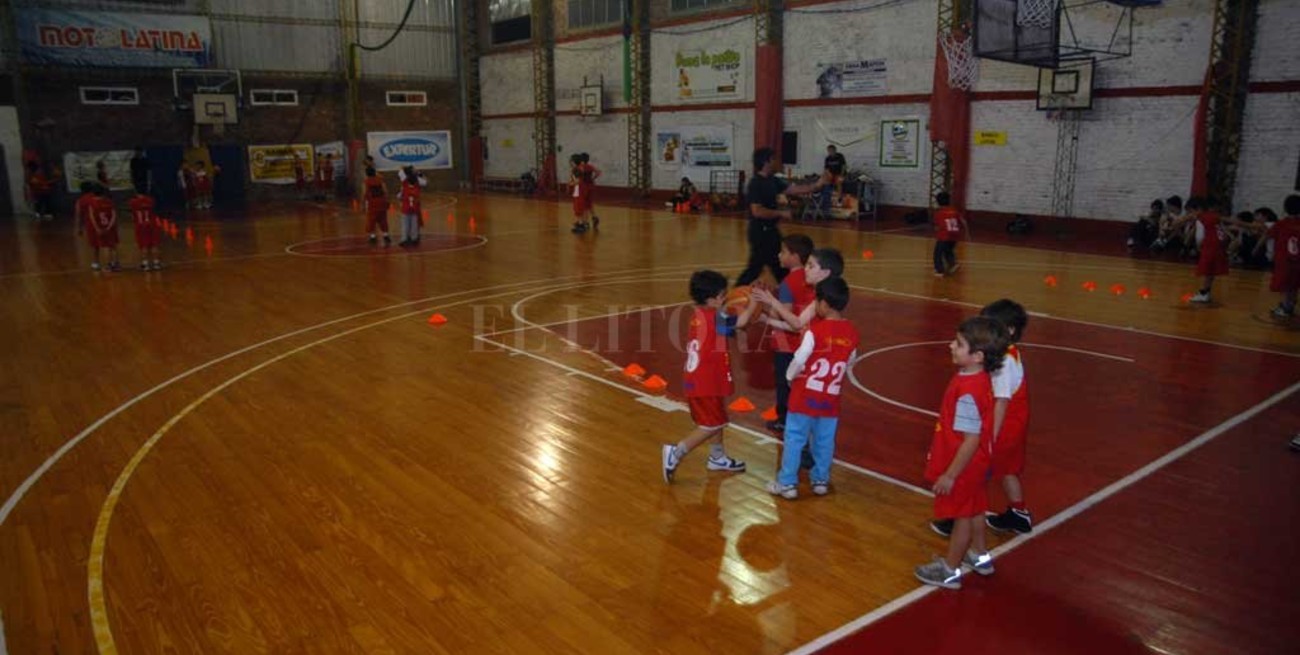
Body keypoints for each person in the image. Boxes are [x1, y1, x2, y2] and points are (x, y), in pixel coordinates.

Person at [914, 316, 1008, 590]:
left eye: (959, 344)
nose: (951, 346)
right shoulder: (978, 378)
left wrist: (950, 474)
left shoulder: (968, 390)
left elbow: (970, 439)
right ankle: (980, 557)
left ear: (977, 356)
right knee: (975, 507)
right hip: (976, 465)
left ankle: (950, 570)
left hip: (964, 466)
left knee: (962, 516)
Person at [662, 270, 761, 483]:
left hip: (701, 378)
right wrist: (752, 303)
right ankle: (676, 452)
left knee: (717, 418)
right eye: (723, 295)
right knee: (711, 424)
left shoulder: (699, 314)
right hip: (704, 381)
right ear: (712, 299)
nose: (726, 298)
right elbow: (741, 322)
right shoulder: (716, 317)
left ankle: (717, 457)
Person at [765, 277, 860, 499]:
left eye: (816, 301)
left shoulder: (814, 332)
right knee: (824, 441)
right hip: (830, 398)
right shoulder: (852, 333)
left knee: (795, 438)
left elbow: (799, 359)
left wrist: (790, 377)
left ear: (824, 304)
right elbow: (850, 361)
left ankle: (787, 483)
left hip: (804, 396)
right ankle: (820, 480)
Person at [736, 147, 822, 286]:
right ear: (767, 161)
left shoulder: (773, 180)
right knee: (757, 267)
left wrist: (817, 185)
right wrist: (781, 213)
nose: (776, 162)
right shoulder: (755, 184)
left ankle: (788, 292)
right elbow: (757, 211)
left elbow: (793, 189)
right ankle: (734, 296)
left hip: (771, 231)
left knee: (778, 265)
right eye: (774, 159)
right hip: (759, 232)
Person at [757, 234, 816, 433]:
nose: (779, 254)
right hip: (806, 342)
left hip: (787, 343)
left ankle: (784, 419)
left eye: (783, 251)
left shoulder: (789, 282)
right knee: (801, 384)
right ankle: (803, 418)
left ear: (795, 256)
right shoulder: (810, 280)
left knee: (784, 383)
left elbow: (784, 316)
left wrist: (765, 311)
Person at [1170, 198, 1238, 303]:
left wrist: (1175, 222)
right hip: (1217, 245)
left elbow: (1178, 223)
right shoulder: (1214, 216)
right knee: (1210, 271)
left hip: (1210, 245)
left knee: (1206, 270)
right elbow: (1227, 227)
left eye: (1191, 210)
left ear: (1197, 209)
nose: (1190, 213)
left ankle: (1203, 293)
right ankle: (1206, 292)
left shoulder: (1200, 216)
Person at [1258, 195, 1300, 318]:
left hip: (1285, 260)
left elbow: (1267, 236)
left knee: (1286, 286)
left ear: (1285, 208)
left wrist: (1256, 248)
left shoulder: (1281, 224)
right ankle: (1290, 305)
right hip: (1298, 261)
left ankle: (1286, 308)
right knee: (1295, 284)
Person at [932, 191, 966, 276]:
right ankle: (952, 264)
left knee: (938, 253)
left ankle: (939, 270)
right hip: (955, 236)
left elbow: (937, 227)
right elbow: (963, 222)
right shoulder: (954, 211)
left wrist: (937, 229)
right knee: (948, 250)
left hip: (944, 236)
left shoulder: (939, 213)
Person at [88, 185, 121, 272]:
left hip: (100, 226)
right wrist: (109, 226)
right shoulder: (109, 201)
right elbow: (114, 215)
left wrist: (97, 228)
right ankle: (116, 264)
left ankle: (108, 265)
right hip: (110, 227)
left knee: (105, 247)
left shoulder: (92, 203)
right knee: (113, 246)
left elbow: (92, 217)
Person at [129, 188, 162, 270]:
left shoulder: (133, 202)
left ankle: (145, 263)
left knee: (144, 245)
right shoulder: (151, 200)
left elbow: (132, 214)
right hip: (151, 224)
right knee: (154, 245)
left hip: (140, 226)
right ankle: (156, 263)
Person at [398, 165, 427, 247]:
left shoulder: (404, 183)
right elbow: (425, 182)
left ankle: (404, 239)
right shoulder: (417, 184)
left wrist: (405, 168)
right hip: (414, 208)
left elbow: (400, 170)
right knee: (414, 223)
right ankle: (414, 238)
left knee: (405, 224)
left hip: (405, 208)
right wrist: (419, 173)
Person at [363, 167, 392, 246]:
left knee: (371, 220)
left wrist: (363, 203)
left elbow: (364, 192)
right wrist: (387, 200)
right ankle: (386, 235)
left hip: (372, 203)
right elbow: (385, 190)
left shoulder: (366, 181)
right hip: (382, 201)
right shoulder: (380, 180)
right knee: (383, 219)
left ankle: (373, 237)